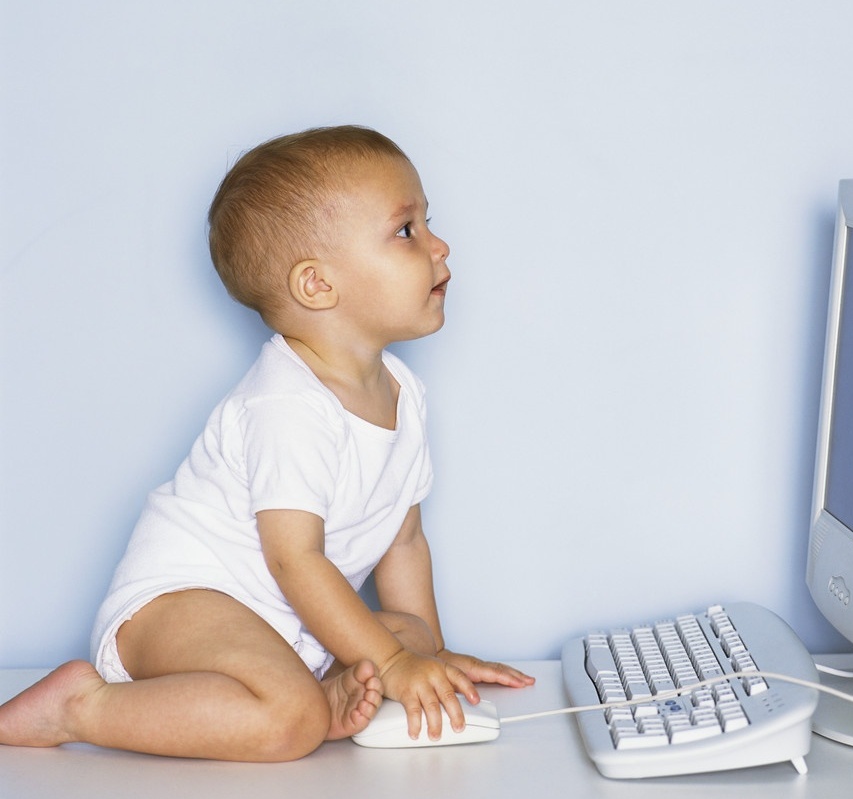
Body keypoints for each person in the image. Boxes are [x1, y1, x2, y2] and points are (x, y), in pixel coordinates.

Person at [0, 125, 534, 761]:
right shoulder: (289, 405)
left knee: (408, 633)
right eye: (406, 231)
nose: (440, 246)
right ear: (317, 286)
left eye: (427, 222)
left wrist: (428, 660)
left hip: (287, 627)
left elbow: (404, 539)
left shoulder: (403, 394)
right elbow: (294, 560)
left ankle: (325, 691)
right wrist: (386, 662)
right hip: (182, 606)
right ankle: (80, 706)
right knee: (290, 722)